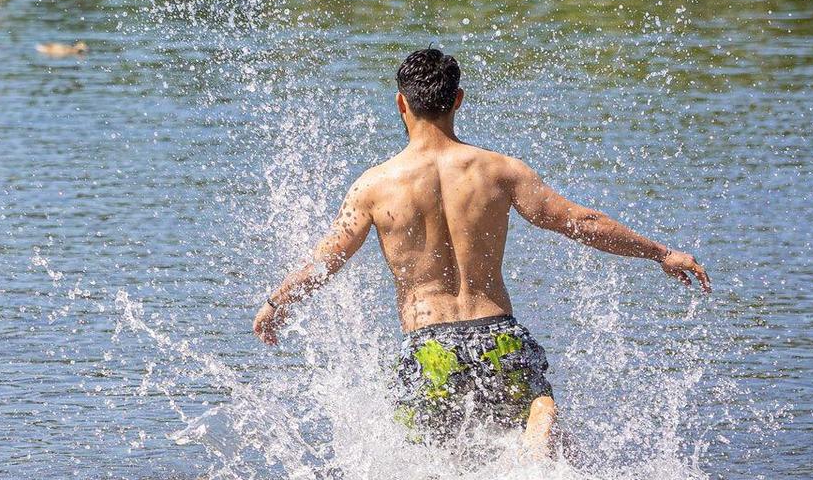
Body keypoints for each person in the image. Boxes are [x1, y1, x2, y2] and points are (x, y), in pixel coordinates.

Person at [252, 48, 709, 458]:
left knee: (434, 467)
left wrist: (278, 302)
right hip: (498, 337)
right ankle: (538, 430)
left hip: (429, 347)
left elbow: (326, 259)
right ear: (458, 100)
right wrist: (660, 252)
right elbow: (580, 222)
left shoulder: (374, 187)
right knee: (544, 427)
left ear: (401, 104)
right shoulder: (500, 172)